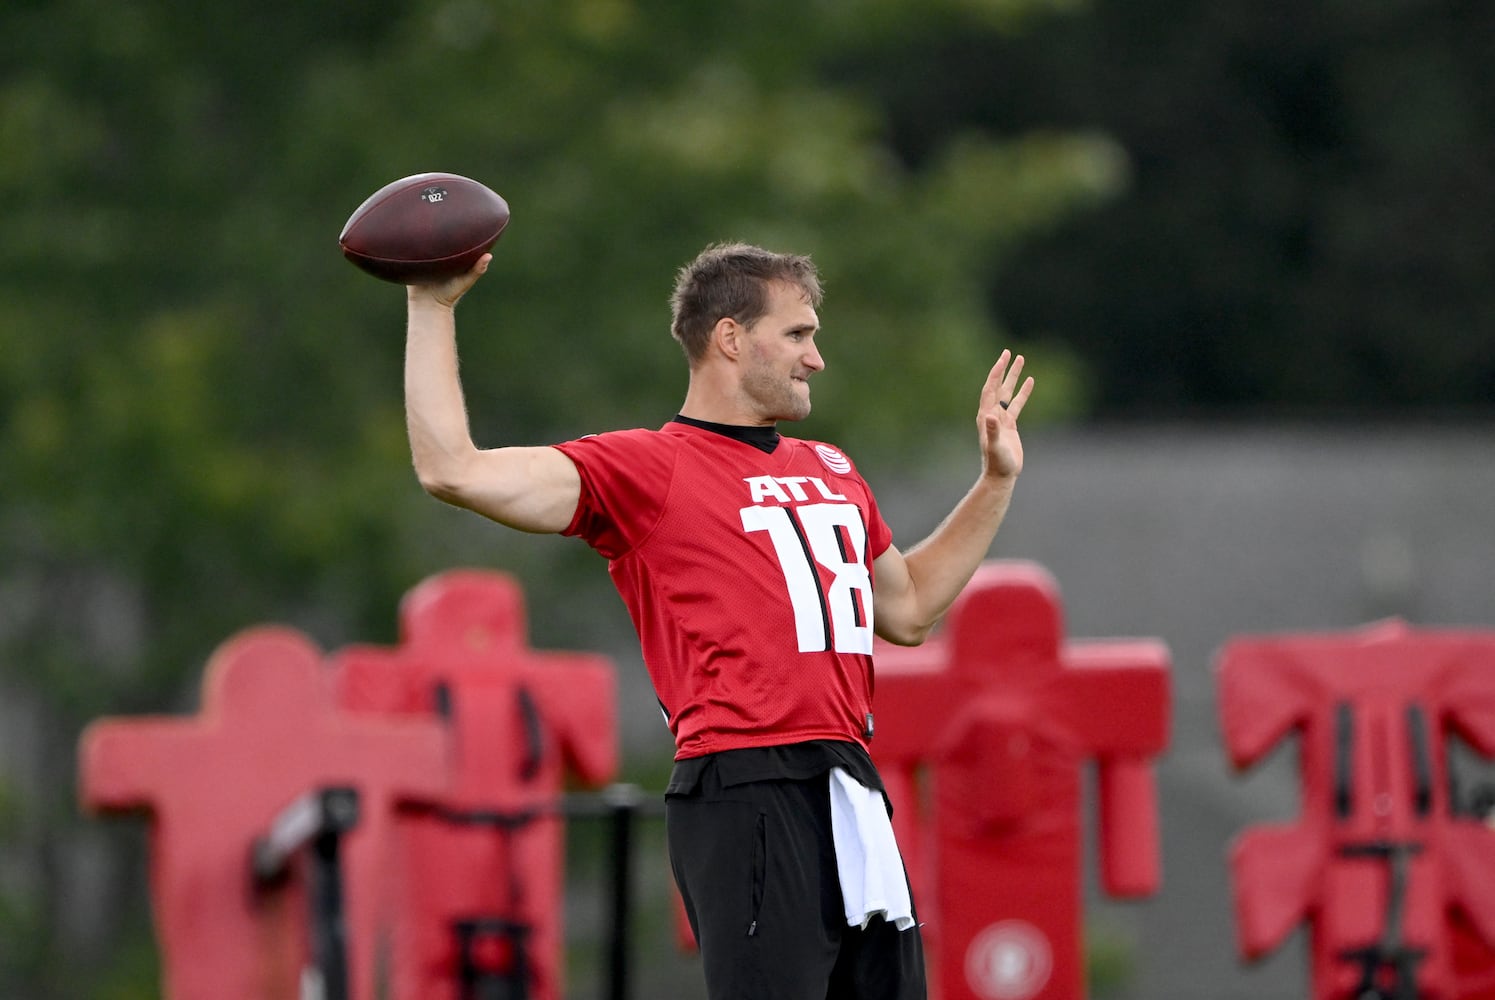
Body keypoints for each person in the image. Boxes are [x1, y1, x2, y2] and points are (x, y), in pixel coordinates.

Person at [403, 242, 1034, 1000]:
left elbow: (907, 611)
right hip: (746, 781)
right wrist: (431, 306)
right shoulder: (646, 468)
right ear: (730, 338)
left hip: (849, 784)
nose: (816, 359)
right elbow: (452, 468)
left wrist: (995, 482)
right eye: (798, 335)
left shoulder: (828, 467)